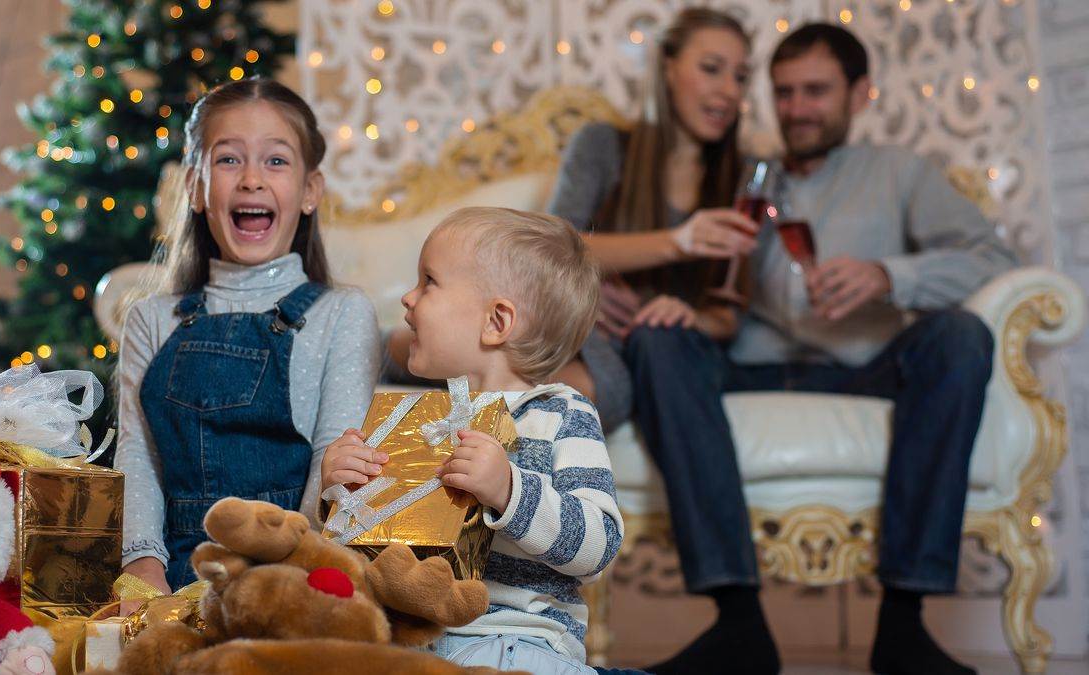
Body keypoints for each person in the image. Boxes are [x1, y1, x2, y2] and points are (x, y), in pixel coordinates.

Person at [626, 24, 1017, 675]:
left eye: (816, 91)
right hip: (744, 368)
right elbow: (698, 279)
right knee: (657, 342)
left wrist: (892, 275)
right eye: (783, 93)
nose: (797, 109)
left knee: (959, 337)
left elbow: (994, 259)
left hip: (862, 367)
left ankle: (902, 625)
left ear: (860, 93)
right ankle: (739, 624)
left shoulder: (900, 173)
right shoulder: (741, 174)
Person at [321, 207, 624, 674]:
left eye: (428, 282)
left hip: (516, 644)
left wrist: (510, 492)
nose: (408, 298)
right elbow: (371, 554)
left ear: (496, 322)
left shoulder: (561, 412)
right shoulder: (420, 419)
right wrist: (340, 492)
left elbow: (598, 548)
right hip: (413, 644)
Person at [113, 78, 380, 598]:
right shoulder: (150, 318)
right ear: (195, 187)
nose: (252, 179)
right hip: (178, 572)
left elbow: (334, 460)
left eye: (276, 161)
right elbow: (138, 457)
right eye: (229, 160)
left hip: (293, 569)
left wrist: (298, 574)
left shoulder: (343, 312)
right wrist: (141, 565)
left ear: (309, 192)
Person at [543, 7, 759, 434]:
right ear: (668, 68)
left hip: (669, 357)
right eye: (712, 69)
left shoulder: (745, 178)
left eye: (740, 77)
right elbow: (550, 247)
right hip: (585, 335)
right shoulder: (602, 146)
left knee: (636, 359)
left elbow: (730, 317)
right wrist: (679, 241)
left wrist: (685, 316)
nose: (729, 91)